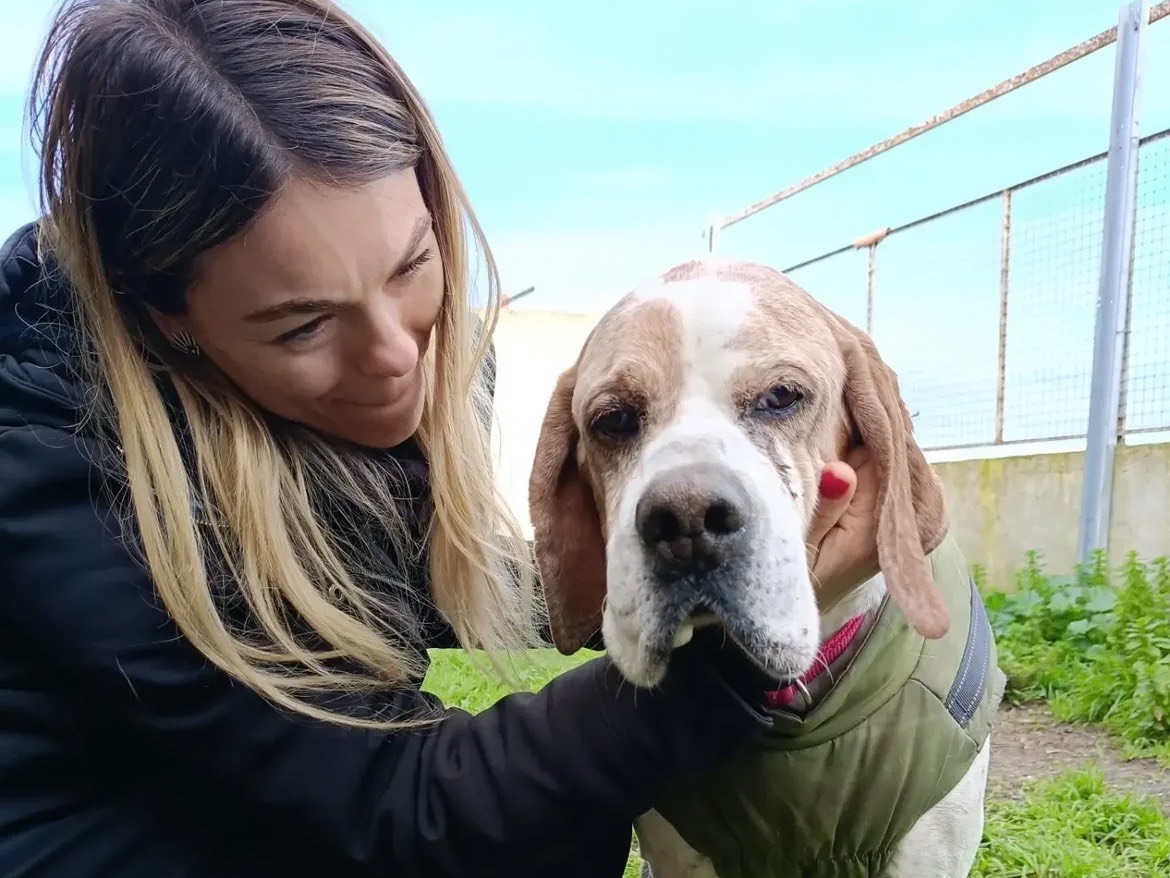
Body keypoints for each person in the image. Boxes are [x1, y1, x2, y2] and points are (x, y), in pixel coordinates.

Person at [0, 1, 880, 876]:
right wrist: (741, 664)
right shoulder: (65, 465)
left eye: (413, 265)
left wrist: (696, 562)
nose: (393, 355)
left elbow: (433, 580)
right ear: (171, 319)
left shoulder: (364, 382)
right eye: (302, 325)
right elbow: (402, 804)